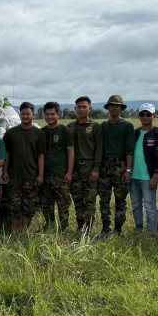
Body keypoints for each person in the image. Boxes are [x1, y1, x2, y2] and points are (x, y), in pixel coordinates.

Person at [2, 102, 46, 232]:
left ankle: (24, 231)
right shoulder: (11, 133)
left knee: (29, 205)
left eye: (28, 114)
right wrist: (5, 171)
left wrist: (40, 175)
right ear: (19, 115)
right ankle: (15, 230)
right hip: (14, 175)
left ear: (33, 115)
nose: (25, 116)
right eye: (23, 114)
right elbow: (6, 154)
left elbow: (41, 155)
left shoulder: (39, 133)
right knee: (14, 205)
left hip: (31, 176)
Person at [96, 95, 134, 236]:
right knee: (104, 199)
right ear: (108, 108)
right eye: (111, 105)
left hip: (121, 165)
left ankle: (118, 229)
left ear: (121, 108)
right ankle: (106, 228)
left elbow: (129, 150)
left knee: (120, 199)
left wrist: (128, 170)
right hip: (105, 165)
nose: (114, 108)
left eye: (117, 106)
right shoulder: (103, 126)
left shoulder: (127, 125)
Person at [131, 104, 158, 234]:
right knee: (136, 205)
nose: (145, 117)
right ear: (138, 116)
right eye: (142, 114)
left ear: (154, 116)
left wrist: (155, 176)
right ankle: (138, 228)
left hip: (148, 178)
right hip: (133, 176)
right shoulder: (135, 133)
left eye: (148, 114)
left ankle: (151, 232)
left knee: (150, 205)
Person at [68, 97, 103, 235]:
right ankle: (80, 225)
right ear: (75, 109)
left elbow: (99, 149)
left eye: (84, 107)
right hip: (74, 167)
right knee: (77, 197)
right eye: (79, 107)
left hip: (89, 166)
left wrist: (96, 169)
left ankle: (89, 227)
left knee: (90, 198)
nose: (81, 109)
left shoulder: (95, 126)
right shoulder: (70, 126)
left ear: (90, 108)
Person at [40, 102, 74, 232]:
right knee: (46, 203)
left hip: (60, 175)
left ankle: (63, 229)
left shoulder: (65, 131)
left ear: (58, 115)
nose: (50, 117)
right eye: (47, 114)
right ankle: (49, 226)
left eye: (52, 114)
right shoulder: (42, 132)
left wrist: (69, 172)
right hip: (46, 175)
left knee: (63, 204)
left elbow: (71, 152)